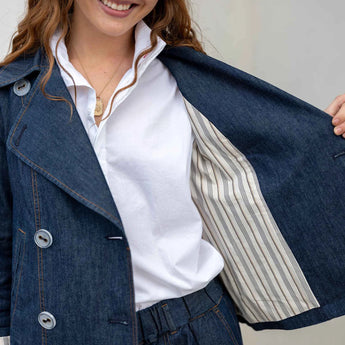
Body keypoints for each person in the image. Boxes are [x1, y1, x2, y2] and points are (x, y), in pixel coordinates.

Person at [0, 1, 345, 345]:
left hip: (193, 327)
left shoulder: (188, 82)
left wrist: (335, 139)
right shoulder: (14, 94)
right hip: (66, 332)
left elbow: (292, 163)